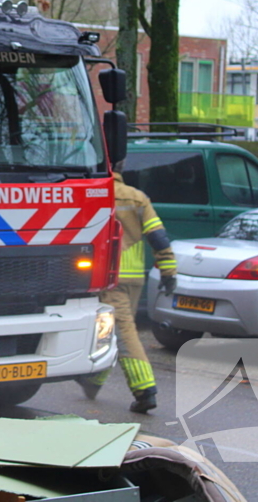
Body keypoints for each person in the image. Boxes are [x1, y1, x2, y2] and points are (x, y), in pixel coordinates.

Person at [76, 159, 178, 413]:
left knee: (122, 333)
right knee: (110, 330)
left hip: (107, 278)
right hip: (133, 279)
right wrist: (168, 270)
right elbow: (158, 237)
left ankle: (145, 390)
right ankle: (92, 381)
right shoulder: (137, 198)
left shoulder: (92, 193)